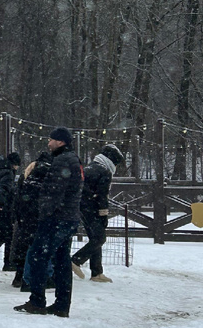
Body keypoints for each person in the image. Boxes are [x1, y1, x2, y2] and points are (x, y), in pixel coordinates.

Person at [15, 127, 83, 317]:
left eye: (51, 140)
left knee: (38, 256)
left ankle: (37, 301)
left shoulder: (61, 161)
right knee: (62, 261)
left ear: (60, 142)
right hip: (69, 217)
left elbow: (53, 193)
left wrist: (44, 213)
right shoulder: (73, 159)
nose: (49, 143)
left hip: (56, 219)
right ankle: (62, 304)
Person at [71, 144, 124, 283]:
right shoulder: (105, 172)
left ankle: (97, 271)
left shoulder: (90, 168)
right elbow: (102, 195)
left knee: (94, 239)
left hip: (81, 207)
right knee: (99, 239)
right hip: (92, 208)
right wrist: (103, 214)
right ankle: (76, 260)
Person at [10, 152, 52, 289]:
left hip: (24, 217)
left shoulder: (26, 175)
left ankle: (20, 276)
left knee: (23, 245)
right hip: (37, 217)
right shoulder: (47, 176)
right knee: (37, 248)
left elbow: (17, 197)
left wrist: (18, 214)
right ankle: (34, 278)